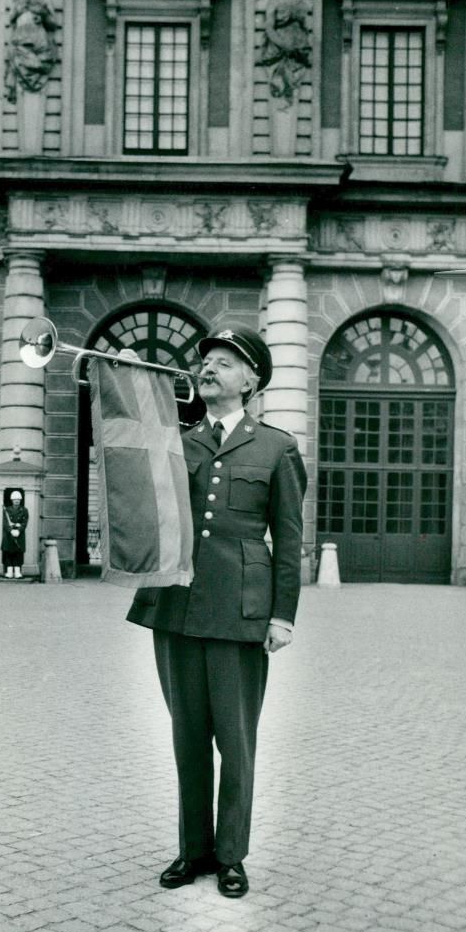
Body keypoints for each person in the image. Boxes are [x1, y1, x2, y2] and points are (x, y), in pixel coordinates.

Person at [126, 323, 307, 898]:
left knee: (236, 740)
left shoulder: (276, 447)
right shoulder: (176, 440)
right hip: (177, 608)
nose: (209, 369)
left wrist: (283, 616)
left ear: (251, 380)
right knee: (187, 737)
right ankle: (193, 850)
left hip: (241, 612)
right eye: (205, 361)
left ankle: (231, 854)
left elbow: (289, 538)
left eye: (225, 362)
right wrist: (130, 382)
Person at [2, 490, 29, 579]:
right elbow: (5, 523)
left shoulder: (24, 510)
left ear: (20, 500)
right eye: (15, 499)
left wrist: (19, 530)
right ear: (12, 500)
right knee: (9, 553)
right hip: (9, 535)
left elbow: (25, 522)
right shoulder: (7, 510)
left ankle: (17, 572)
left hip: (19, 534)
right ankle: (9, 572)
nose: (16, 501)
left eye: (18, 499)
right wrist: (11, 530)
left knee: (18, 553)